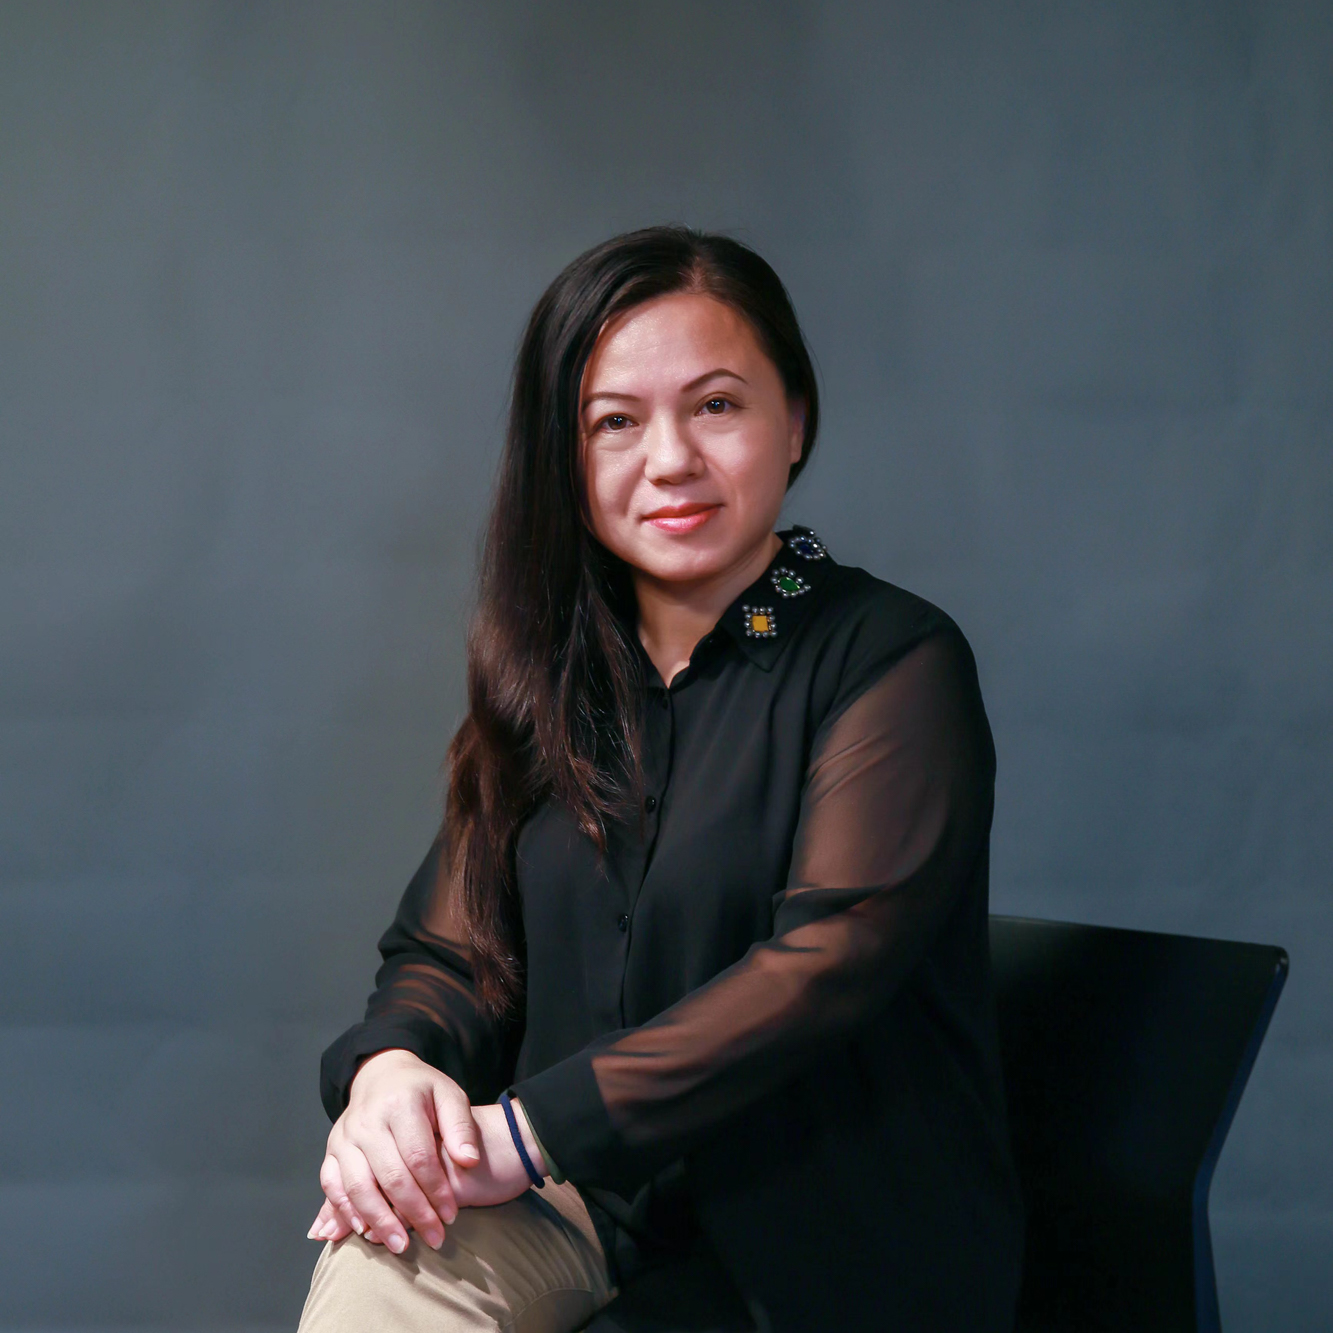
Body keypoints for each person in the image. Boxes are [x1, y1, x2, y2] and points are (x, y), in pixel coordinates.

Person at [297, 226, 1023, 1333]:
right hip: (580, 1207)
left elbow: (823, 967)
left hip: (821, 1239)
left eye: (716, 405)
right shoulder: (555, 675)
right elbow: (455, 949)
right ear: (566, 455)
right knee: (380, 1263)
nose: (670, 459)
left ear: (795, 420)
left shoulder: (890, 658)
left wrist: (526, 1131)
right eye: (615, 422)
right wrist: (392, 1073)